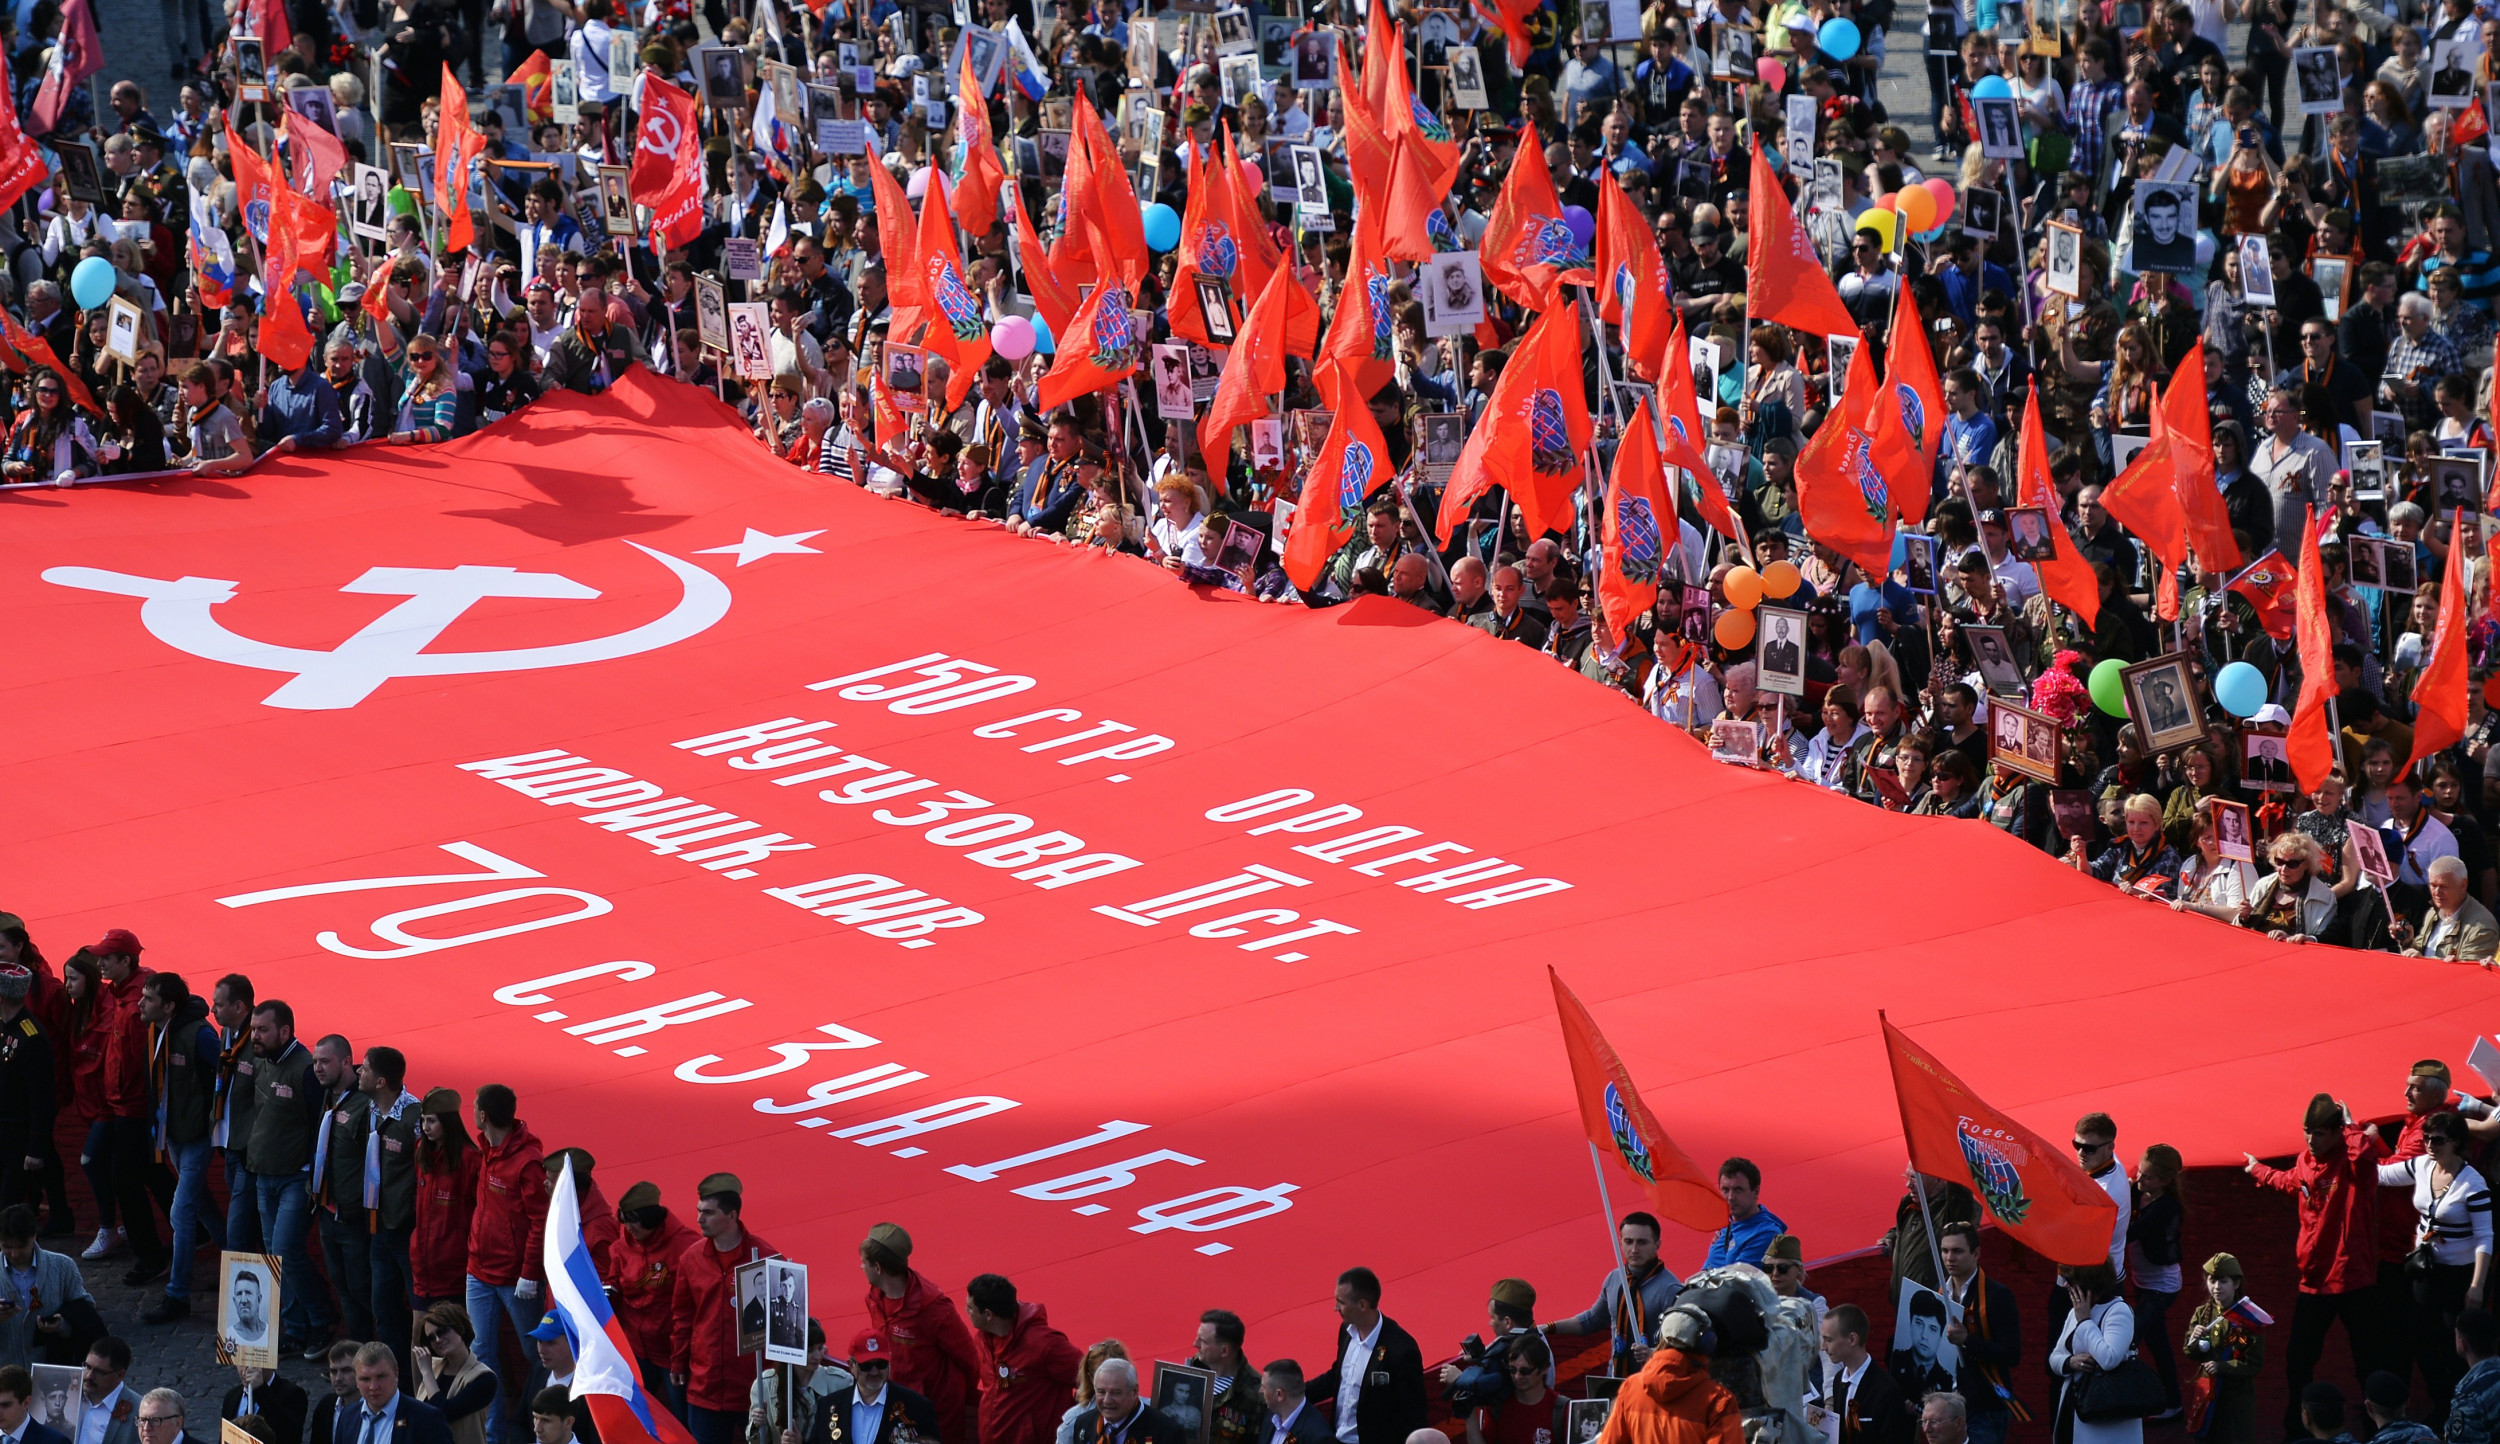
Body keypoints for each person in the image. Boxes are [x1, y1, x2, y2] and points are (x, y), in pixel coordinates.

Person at [2246, 1094, 2382, 1437]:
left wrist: (2352, 1127)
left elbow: (2367, 1154)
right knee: (2298, 1361)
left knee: (2367, 1360)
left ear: (2336, 1133)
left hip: (2354, 1281)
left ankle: (2375, 1424)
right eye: (2307, 1132)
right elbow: (2290, 1181)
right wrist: (2257, 1169)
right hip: (2314, 1281)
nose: (2311, 1139)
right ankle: (2298, 1426)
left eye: (2319, 1133)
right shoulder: (2306, 1161)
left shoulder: (2354, 1166)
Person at [2377, 1109, 2491, 1416]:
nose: (2429, 1144)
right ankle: (2442, 1404)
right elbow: (2382, 1175)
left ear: (2455, 1142)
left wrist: (2477, 1286)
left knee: (2454, 1344)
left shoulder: (2474, 1185)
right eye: (2426, 1137)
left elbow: (2485, 1237)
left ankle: (2464, 1409)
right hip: (2426, 1270)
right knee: (2420, 1338)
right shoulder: (2423, 1165)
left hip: (2460, 1274)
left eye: (2437, 1139)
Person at [674, 1174, 779, 1444]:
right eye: (699, 1211)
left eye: (708, 1213)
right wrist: (678, 1360)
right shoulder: (691, 1258)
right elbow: (682, 1317)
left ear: (732, 1216)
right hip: (704, 1388)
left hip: (752, 1389)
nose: (699, 1219)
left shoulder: (766, 1258)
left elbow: (784, 1320)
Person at [857, 1223, 979, 1444]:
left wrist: (963, 1398)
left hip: (936, 1413)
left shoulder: (932, 1307)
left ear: (878, 1268)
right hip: (895, 1403)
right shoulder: (874, 1298)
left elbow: (968, 1357)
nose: (860, 1267)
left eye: (863, 1263)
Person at [1548, 1212, 1682, 1376]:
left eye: (1642, 1242)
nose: (1634, 1249)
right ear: (1620, 1242)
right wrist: (1548, 1328)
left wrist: (1654, 1353)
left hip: (1653, 1379)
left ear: (1657, 1244)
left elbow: (1683, 1341)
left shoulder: (1670, 1288)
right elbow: (1593, 1319)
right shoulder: (1614, 1278)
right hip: (1614, 1380)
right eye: (1628, 1241)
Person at [1307, 1268, 1425, 1444]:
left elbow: (1413, 1416)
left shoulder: (1402, 1350)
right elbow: (1337, 1376)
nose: (1335, 1308)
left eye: (1341, 1302)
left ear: (1362, 1305)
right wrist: (1294, 1394)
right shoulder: (1346, 1331)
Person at [965, 1275, 1080, 1444]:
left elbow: (1093, 1376)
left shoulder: (1044, 1344)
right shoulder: (981, 1340)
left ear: (988, 1314)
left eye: (970, 1309)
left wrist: (1074, 1417)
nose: (967, 1313)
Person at [1933, 1224, 2019, 1444]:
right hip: (1946, 1407)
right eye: (1944, 1250)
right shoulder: (1937, 1292)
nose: (1949, 1257)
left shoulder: (1997, 1295)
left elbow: (2012, 1354)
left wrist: (1968, 1341)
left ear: (1976, 1253)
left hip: (1984, 1406)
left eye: (1957, 1251)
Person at [791, 1332, 938, 1444]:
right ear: (851, 1366)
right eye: (866, 1366)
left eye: (881, 1364)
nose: (874, 1372)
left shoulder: (918, 1407)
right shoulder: (828, 1405)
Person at [2048, 1264, 2138, 1444]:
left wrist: (2085, 1322)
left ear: (2088, 1283)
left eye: (2070, 1281)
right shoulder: (2076, 1311)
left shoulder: (2118, 1311)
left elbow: (2109, 1358)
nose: (2065, 1285)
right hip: (2073, 1408)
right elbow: (2055, 1356)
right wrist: (2069, 1362)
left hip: (2106, 1416)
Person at [2181, 1255, 2263, 1444]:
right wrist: (2194, 1341)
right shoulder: (2202, 1313)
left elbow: (2252, 1364)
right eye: (2212, 1280)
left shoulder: (2249, 1318)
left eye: (2223, 1281)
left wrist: (2221, 1367)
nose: (2217, 1287)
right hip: (2207, 1393)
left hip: (2234, 1399)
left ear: (2236, 1284)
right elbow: (2190, 1352)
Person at [1804, 1306, 1910, 1444]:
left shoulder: (1886, 1390)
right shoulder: (1838, 1380)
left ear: (1852, 1339)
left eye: (1828, 1340)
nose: (1823, 1347)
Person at [408, 1303, 494, 1444]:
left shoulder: (484, 1378)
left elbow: (443, 1414)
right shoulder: (433, 1366)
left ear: (460, 1328)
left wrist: (427, 1373)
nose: (437, 1340)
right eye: (431, 1337)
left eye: (442, 1332)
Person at [1185, 1310, 1265, 1444]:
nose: (1195, 1344)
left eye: (1203, 1341)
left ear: (1224, 1351)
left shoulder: (1257, 1395)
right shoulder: (1195, 1366)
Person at [1061, 1360, 1182, 1444]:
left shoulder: (1166, 1433)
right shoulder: (1083, 1423)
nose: (1107, 1400)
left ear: (1134, 1391)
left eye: (1116, 1393)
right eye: (1101, 1392)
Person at [1700, 1159, 1784, 1268]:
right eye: (1725, 1190)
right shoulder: (1727, 1224)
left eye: (1738, 1189)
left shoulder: (1765, 1233)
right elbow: (1708, 1268)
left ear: (1756, 1191)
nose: (1730, 1197)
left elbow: (1737, 1281)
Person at [218, 1366, 306, 1444]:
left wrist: (261, 1390)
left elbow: (290, 1436)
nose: (248, 1369)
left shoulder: (293, 1394)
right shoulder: (232, 1396)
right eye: (242, 1360)